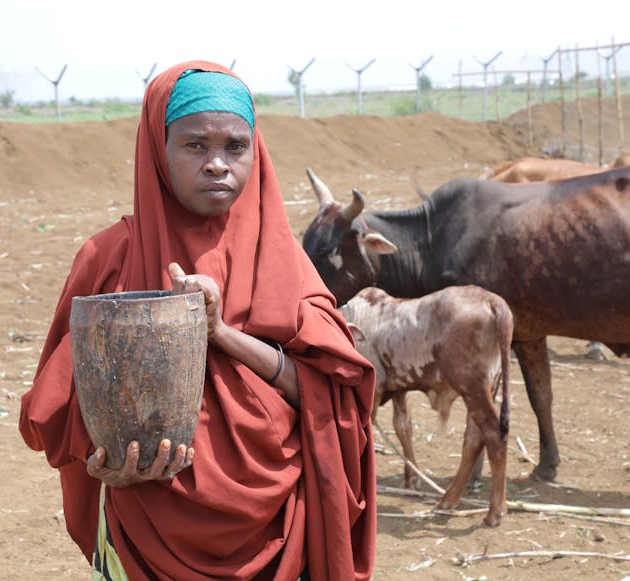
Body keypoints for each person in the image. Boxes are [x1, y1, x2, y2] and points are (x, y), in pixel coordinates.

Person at [19, 60, 377, 580]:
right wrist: (104, 457)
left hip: (279, 528)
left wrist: (221, 333)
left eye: (235, 146)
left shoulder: (285, 265)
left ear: (256, 153)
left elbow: (333, 396)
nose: (217, 164)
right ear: (157, 152)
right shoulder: (108, 257)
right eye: (194, 146)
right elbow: (58, 412)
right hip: (147, 527)